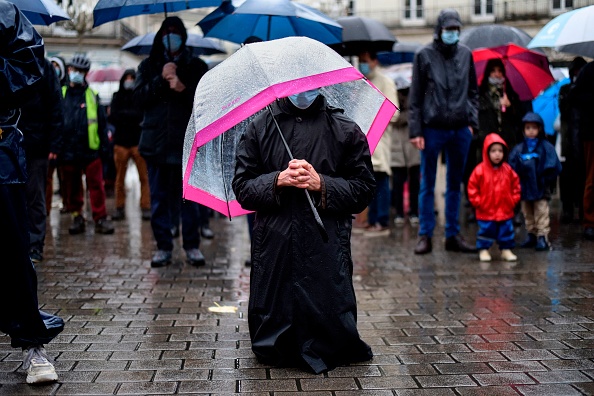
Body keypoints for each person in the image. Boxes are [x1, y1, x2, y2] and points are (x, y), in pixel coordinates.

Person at [232, 90, 376, 374]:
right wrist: (278, 179)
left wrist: (322, 183)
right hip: (275, 241)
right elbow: (243, 188)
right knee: (276, 316)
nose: (302, 90)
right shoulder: (260, 126)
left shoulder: (344, 128)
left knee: (329, 308)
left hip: (325, 240)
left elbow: (364, 188)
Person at [0, 0, 64, 383]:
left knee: (10, 248)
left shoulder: (5, 13)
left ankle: (32, 346)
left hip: (2, 148)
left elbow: (30, 68)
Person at [135, 16, 209, 267]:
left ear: (183, 36)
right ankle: (163, 246)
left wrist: (181, 87)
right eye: (167, 32)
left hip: (186, 143)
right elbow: (139, 99)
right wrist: (161, 80)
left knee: (190, 200)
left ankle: (191, 245)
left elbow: (204, 103)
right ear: (160, 36)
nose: (172, 36)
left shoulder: (196, 65)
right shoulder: (148, 66)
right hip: (156, 143)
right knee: (159, 199)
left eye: (176, 32)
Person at [409, 9, 479, 254]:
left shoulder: (466, 54)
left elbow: (473, 92)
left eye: (456, 29)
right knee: (427, 183)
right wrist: (415, 131)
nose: (453, 33)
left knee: (455, 184)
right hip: (432, 129)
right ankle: (425, 235)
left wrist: (472, 123)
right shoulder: (424, 55)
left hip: (460, 128)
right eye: (449, 29)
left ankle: (452, 234)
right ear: (439, 30)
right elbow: (415, 96)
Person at [60, 54, 114, 235]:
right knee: (73, 187)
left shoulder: (92, 95)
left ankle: (100, 218)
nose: (76, 73)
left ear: (85, 73)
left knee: (96, 186)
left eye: (80, 71)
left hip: (91, 150)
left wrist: (105, 150)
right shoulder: (62, 94)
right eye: (74, 70)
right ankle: (77, 217)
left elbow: (102, 123)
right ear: (69, 70)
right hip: (68, 151)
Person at [18, 57, 64, 263]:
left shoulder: (44, 68)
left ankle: (35, 245)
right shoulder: (10, 62)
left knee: (35, 195)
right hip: (13, 141)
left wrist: (54, 144)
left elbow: (56, 108)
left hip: (36, 145)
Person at [356, 50, 399, 235]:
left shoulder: (385, 82)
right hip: (365, 139)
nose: (362, 64)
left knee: (381, 179)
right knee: (369, 180)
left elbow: (394, 113)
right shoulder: (361, 82)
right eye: (360, 61)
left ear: (374, 61)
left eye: (364, 60)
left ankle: (382, 221)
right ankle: (371, 219)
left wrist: (372, 116)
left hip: (380, 138)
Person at [509, 112, 562, 251]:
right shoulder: (519, 149)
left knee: (541, 211)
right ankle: (531, 234)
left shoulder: (546, 147)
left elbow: (554, 165)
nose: (531, 131)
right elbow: (511, 166)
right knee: (527, 212)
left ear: (539, 129)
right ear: (523, 130)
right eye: (527, 128)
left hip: (540, 187)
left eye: (534, 127)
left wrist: (545, 179)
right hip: (525, 187)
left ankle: (542, 236)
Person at [467, 133, 521, 262]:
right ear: (487, 152)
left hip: (505, 209)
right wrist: (478, 202)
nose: (497, 154)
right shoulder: (480, 170)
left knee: (506, 230)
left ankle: (506, 249)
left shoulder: (508, 170)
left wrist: (512, 200)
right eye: (493, 151)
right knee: (486, 231)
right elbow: (472, 187)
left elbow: (516, 186)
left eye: (500, 151)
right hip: (486, 210)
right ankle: (484, 249)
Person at [108, 69, 151, 221]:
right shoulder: (117, 96)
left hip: (138, 143)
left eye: (132, 78)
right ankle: (119, 207)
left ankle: (146, 206)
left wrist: (125, 116)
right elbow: (114, 116)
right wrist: (130, 116)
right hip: (121, 143)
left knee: (144, 178)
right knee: (119, 178)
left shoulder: (139, 97)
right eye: (127, 78)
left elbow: (140, 115)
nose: (129, 80)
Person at [567, 59, 594, 240]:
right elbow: (574, 97)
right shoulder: (589, 70)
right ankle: (590, 222)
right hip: (592, 132)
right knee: (592, 178)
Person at [558, 57, 587, 224]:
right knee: (567, 176)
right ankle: (567, 209)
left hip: (584, 139)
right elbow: (564, 108)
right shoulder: (565, 89)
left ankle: (584, 209)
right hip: (569, 141)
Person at [390, 77, 420, 226]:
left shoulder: (415, 100)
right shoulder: (391, 99)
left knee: (415, 181)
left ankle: (414, 211)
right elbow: (393, 118)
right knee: (397, 182)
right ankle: (399, 213)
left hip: (412, 145)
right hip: (396, 146)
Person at [46, 56, 69, 215]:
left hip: (65, 142)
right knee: (47, 178)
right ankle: (45, 209)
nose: (54, 68)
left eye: (57, 65)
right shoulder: (46, 88)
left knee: (65, 177)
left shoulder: (67, 89)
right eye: (52, 65)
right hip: (50, 142)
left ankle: (67, 204)